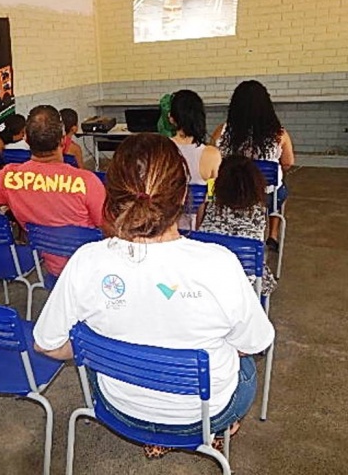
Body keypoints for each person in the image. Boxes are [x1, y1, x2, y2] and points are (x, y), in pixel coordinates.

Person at [32, 133, 274, 458]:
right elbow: (255, 343)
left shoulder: (86, 261)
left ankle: (156, 432)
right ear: (183, 194)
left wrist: (97, 351)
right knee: (244, 366)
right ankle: (220, 427)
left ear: (111, 193)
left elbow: (46, 344)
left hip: (119, 407)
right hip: (202, 414)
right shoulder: (220, 264)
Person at [0, 105, 105, 278]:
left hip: (55, 274)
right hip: (91, 273)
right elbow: (109, 229)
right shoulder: (87, 182)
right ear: (63, 140)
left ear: (27, 139)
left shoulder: (8, 178)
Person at [211, 80, 295, 251]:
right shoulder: (279, 134)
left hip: (229, 193)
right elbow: (288, 163)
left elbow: (212, 160)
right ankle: (272, 235)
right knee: (279, 187)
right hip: (266, 196)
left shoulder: (221, 132)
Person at [199, 155, 277, 297]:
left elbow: (199, 229)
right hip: (244, 287)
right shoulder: (259, 210)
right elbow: (260, 239)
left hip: (207, 280)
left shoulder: (210, 205)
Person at [169, 89, 221, 229]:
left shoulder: (162, 149)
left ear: (171, 119)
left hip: (168, 224)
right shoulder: (212, 154)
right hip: (200, 227)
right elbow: (212, 193)